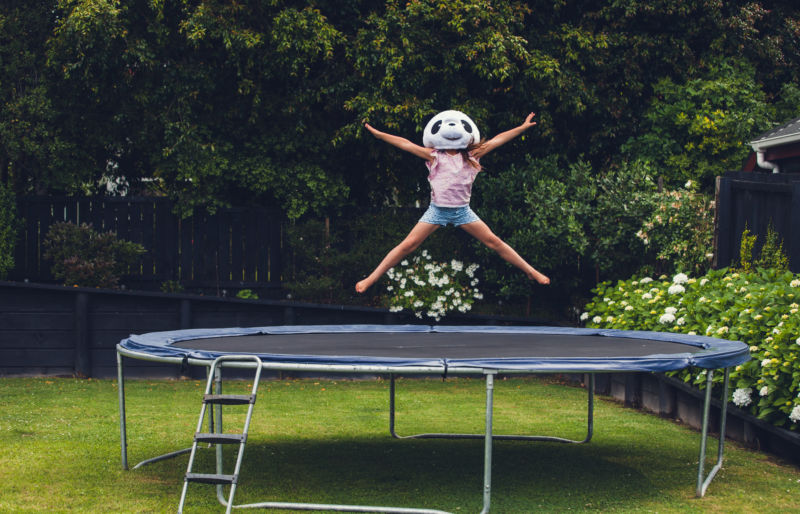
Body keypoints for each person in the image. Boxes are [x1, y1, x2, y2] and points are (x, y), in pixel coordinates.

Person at [355, 110, 550, 293]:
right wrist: (380, 135)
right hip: (436, 211)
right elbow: (405, 144)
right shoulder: (434, 155)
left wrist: (522, 127)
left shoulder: (473, 155)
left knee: (494, 242)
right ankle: (372, 278)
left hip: (463, 211)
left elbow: (498, 140)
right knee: (408, 245)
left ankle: (531, 271)